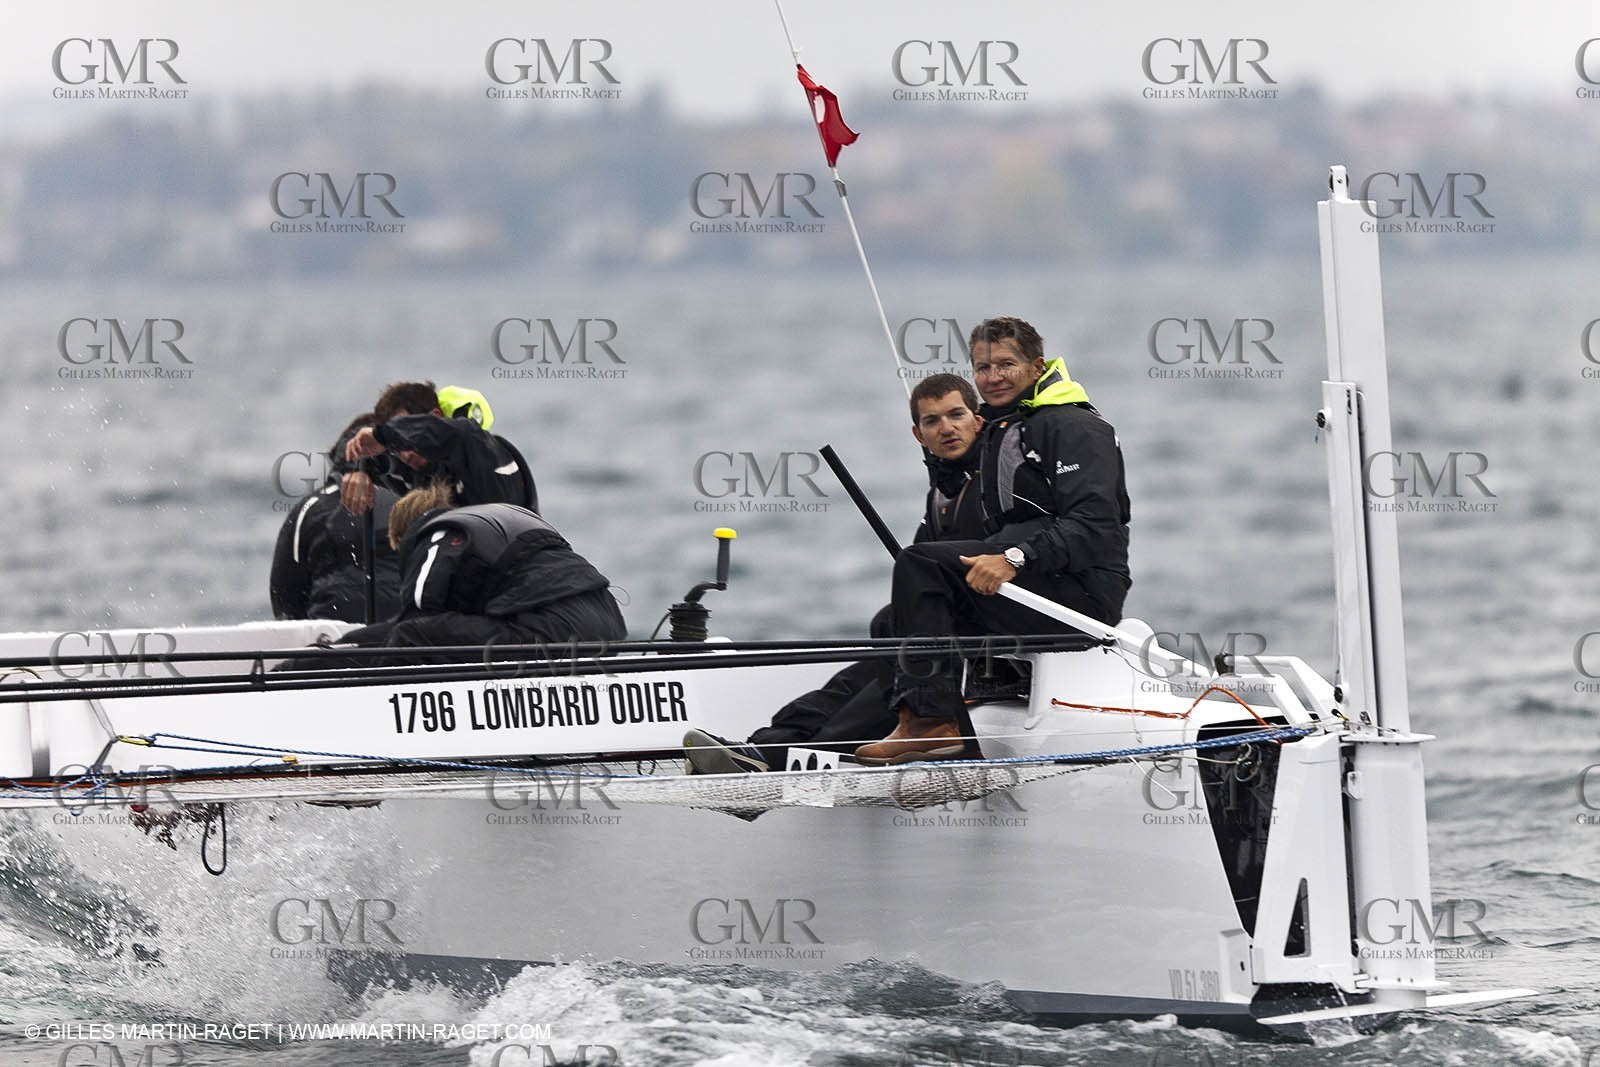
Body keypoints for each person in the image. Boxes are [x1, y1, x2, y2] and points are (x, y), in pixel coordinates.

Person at [854, 315, 1131, 765]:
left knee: (918, 564)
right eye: (982, 368)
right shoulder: (1006, 428)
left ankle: (931, 727)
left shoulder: (1072, 426)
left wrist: (1015, 558)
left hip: (1080, 598)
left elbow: (1096, 524)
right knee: (891, 622)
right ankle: (927, 737)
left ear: (1037, 367)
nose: (993, 377)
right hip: (1032, 582)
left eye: (1006, 364)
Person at [683, 373, 988, 773]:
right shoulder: (941, 494)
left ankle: (773, 765)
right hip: (923, 647)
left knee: (864, 704)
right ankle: (759, 749)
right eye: (932, 421)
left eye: (956, 415)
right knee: (842, 687)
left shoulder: (994, 484)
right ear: (918, 434)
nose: (946, 428)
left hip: (967, 654)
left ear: (977, 420)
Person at [313, 482, 626, 666]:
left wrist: (333, 655)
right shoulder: (492, 525)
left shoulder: (439, 533)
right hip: (609, 628)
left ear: (405, 535)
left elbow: (413, 621)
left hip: (552, 633)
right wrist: (350, 641)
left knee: (413, 636)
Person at [269, 413, 402, 623]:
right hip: (405, 630)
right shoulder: (414, 504)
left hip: (330, 632)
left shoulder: (310, 508)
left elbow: (285, 596)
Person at [340, 380, 537, 517]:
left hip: (525, 569)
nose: (405, 454)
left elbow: (459, 432)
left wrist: (380, 436)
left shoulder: (476, 445)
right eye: (396, 448)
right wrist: (358, 468)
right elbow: (346, 442)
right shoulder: (418, 471)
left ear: (435, 417)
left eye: (404, 438)